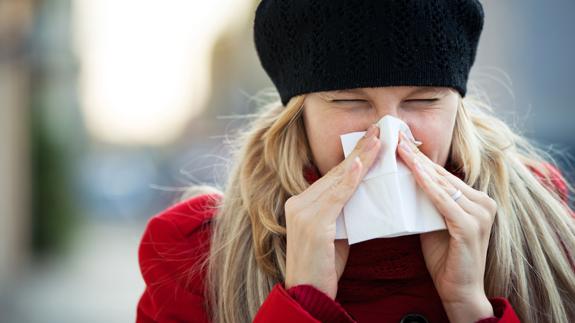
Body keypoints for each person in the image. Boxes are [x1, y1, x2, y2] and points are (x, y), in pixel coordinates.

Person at [136, 0, 575, 322]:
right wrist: (302, 302)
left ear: (456, 105)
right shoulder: (197, 255)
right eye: (349, 101)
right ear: (299, 115)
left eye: (422, 100)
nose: (386, 135)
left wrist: (469, 306)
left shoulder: (543, 223)